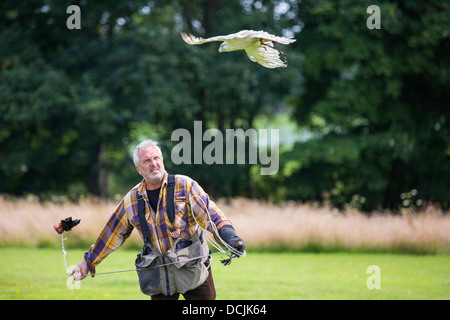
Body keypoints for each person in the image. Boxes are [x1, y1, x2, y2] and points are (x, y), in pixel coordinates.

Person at [72, 139, 245, 300]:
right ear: (139, 169)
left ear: (162, 161)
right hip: (160, 276)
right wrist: (88, 262)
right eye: (146, 161)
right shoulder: (131, 200)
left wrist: (230, 237)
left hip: (195, 270)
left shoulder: (185, 185)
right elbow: (111, 233)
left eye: (156, 158)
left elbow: (212, 215)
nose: (153, 163)